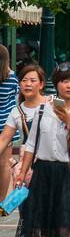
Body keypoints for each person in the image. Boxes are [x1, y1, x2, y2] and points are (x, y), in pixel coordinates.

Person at [15, 63, 70, 237]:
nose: (69, 85)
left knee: (65, 222)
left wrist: (69, 122)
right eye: (65, 80)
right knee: (43, 224)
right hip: (43, 171)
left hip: (69, 171)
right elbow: (31, 143)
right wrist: (23, 173)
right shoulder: (43, 108)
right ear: (57, 83)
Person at [0, 63, 50, 237]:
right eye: (24, 80)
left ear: (41, 83)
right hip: (26, 170)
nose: (27, 84)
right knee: (28, 217)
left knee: (52, 216)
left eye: (32, 80)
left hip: (51, 168)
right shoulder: (16, 111)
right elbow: (4, 138)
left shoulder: (51, 105)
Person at [0, 45, 19, 202]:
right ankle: (1, 201)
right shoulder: (11, 78)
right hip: (6, 126)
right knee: (4, 164)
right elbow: (16, 98)